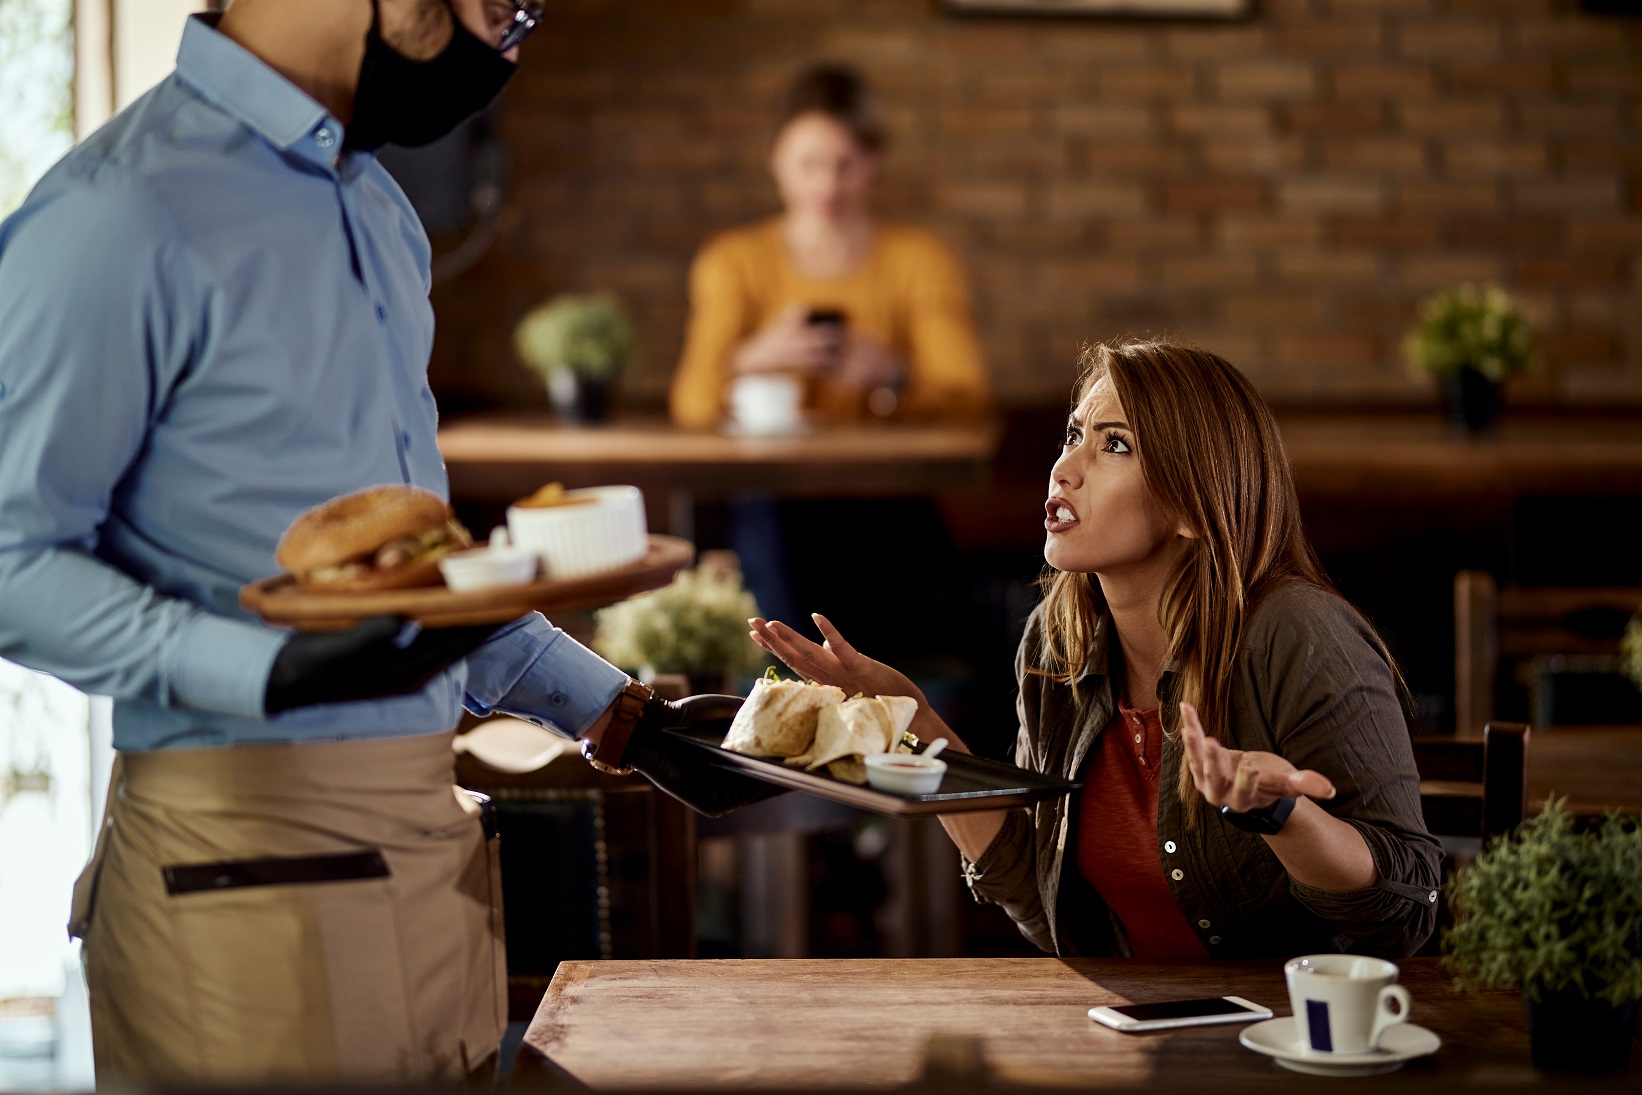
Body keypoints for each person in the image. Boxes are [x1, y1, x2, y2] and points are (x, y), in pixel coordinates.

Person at [0, 0, 769, 1084]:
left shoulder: (376, 208)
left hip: (433, 843)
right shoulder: (118, 212)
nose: (510, 38)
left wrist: (619, 715)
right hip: (237, 855)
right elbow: (9, 560)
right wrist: (270, 669)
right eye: (501, 2)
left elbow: (413, 567)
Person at [750, 340, 1444, 960]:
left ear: (1194, 505)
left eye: (1114, 445)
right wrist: (912, 724)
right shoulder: (1057, 641)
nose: (1064, 468)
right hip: (1145, 1040)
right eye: (1074, 433)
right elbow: (1038, 895)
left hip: (1303, 1038)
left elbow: (1403, 911)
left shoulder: (1298, 633)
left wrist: (1281, 815)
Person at [669, 62, 991, 428]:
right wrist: (751, 360)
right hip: (763, 479)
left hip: (885, 475)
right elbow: (691, 407)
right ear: (775, 160)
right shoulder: (729, 261)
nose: (827, 186)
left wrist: (893, 375)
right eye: (809, 164)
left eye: (845, 165)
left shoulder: (924, 260)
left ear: (873, 161)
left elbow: (968, 398)